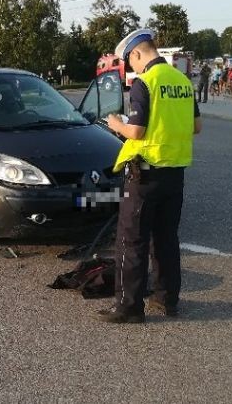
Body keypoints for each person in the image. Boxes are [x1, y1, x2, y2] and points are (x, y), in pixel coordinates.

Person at [98, 29, 201, 324]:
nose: (132, 68)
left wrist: (117, 124)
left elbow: (137, 130)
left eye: (130, 61)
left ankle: (128, 307)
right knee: (166, 239)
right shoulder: (182, 82)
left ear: (137, 53)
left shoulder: (146, 82)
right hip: (175, 175)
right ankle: (167, 299)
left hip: (145, 175)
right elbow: (196, 127)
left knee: (131, 241)